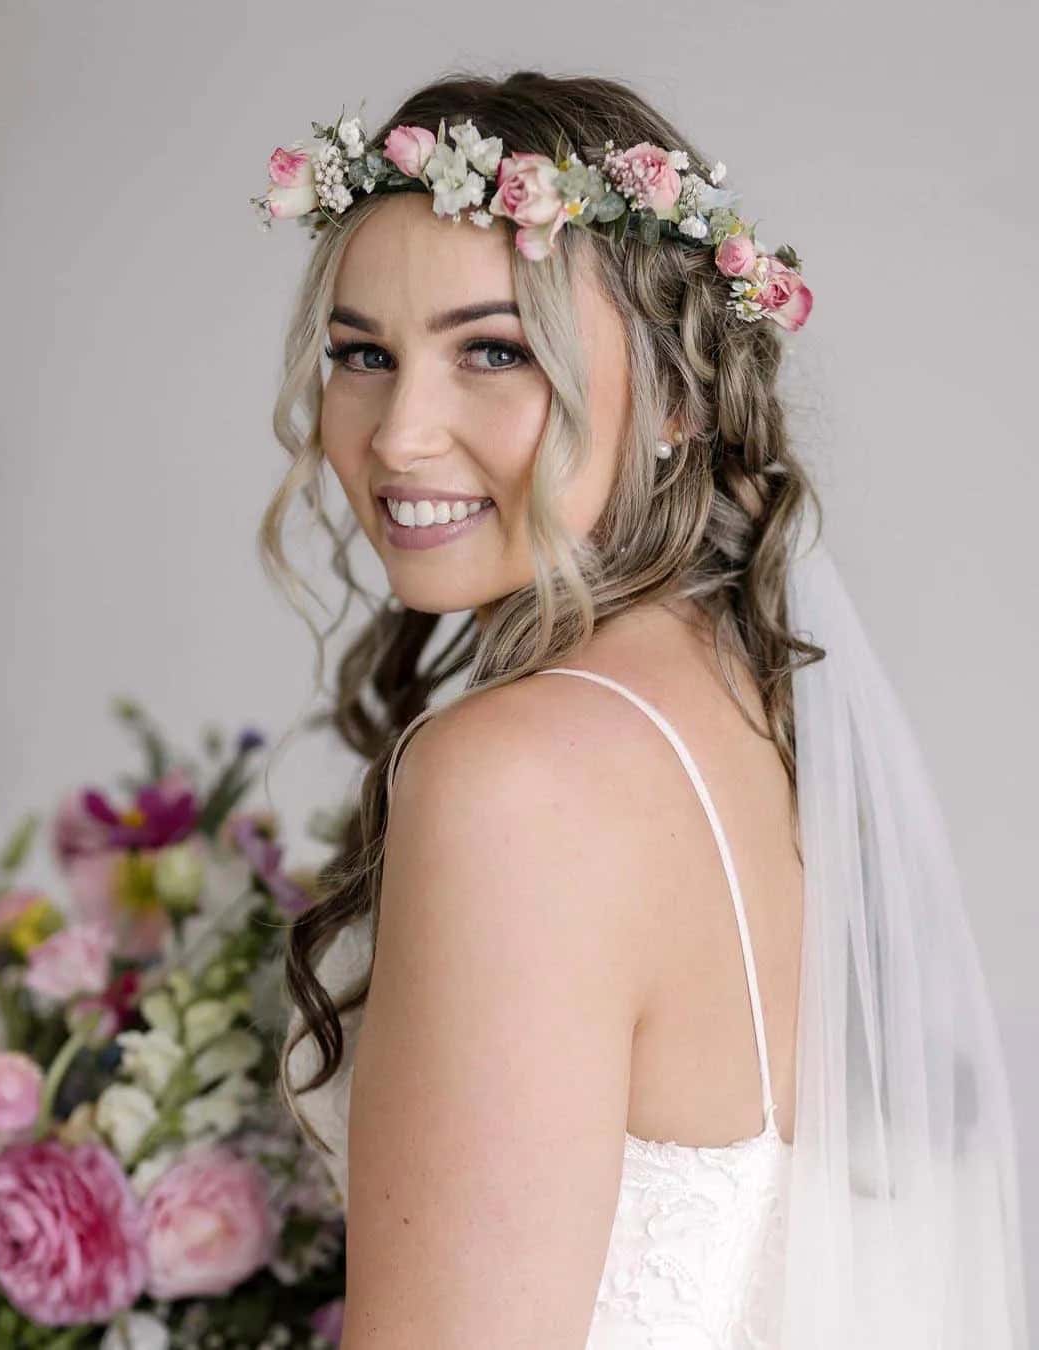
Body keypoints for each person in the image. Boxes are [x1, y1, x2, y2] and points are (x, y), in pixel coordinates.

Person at [254, 70, 1028, 1349]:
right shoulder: (750, 708)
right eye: (361, 356)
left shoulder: (512, 778)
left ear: (675, 396)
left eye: (493, 351)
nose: (397, 435)